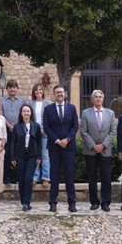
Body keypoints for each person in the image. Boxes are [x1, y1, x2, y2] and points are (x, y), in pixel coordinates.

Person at [43, 85, 79, 213]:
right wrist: (58, 141)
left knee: (70, 175)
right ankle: (53, 203)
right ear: (54, 94)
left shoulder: (72, 108)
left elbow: (75, 126)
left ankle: (72, 203)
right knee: (54, 176)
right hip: (54, 147)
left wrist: (67, 139)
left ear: (65, 94)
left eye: (61, 92)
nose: (59, 94)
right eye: (57, 92)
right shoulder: (48, 109)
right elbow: (46, 127)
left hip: (69, 147)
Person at [80, 89, 116, 212]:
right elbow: (83, 131)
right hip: (91, 151)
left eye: (100, 96)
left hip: (105, 151)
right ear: (92, 99)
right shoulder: (85, 113)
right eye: (96, 97)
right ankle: (94, 202)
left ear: (103, 99)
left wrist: (103, 145)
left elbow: (112, 132)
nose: (98, 98)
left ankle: (106, 202)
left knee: (106, 177)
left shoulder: (110, 113)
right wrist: (94, 145)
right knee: (92, 177)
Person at [10, 104, 42, 211]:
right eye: (24, 111)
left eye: (28, 111)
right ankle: (23, 202)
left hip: (32, 155)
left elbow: (39, 142)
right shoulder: (17, 126)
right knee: (22, 179)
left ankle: (27, 202)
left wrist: (39, 156)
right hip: (20, 155)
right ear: (21, 113)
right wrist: (13, 157)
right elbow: (13, 142)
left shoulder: (36, 126)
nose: (26, 113)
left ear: (31, 113)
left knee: (29, 179)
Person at [0, 79, 24, 185]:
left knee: (18, 153)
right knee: (7, 154)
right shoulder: (2, 100)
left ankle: (18, 176)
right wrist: (9, 125)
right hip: (6, 130)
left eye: (14, 87)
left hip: (19, 130)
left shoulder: (22, 101)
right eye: (10, 87)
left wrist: (17, 126)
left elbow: (25, 114)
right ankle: (7, 177)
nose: (12, 89)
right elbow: (0, 114)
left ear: (17, 89)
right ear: (7, 89)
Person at [28, 83, 51, 188]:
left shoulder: (48, 104)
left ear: (43, 92)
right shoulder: (30, 103)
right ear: (34, 92)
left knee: (45, 156)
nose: (38, 91)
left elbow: (50, 119)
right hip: (33, 132)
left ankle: (46, 178)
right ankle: (35, 177)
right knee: (35, 155)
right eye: (36, 90)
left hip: (45, 133)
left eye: (40, 90)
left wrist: (44, 129)